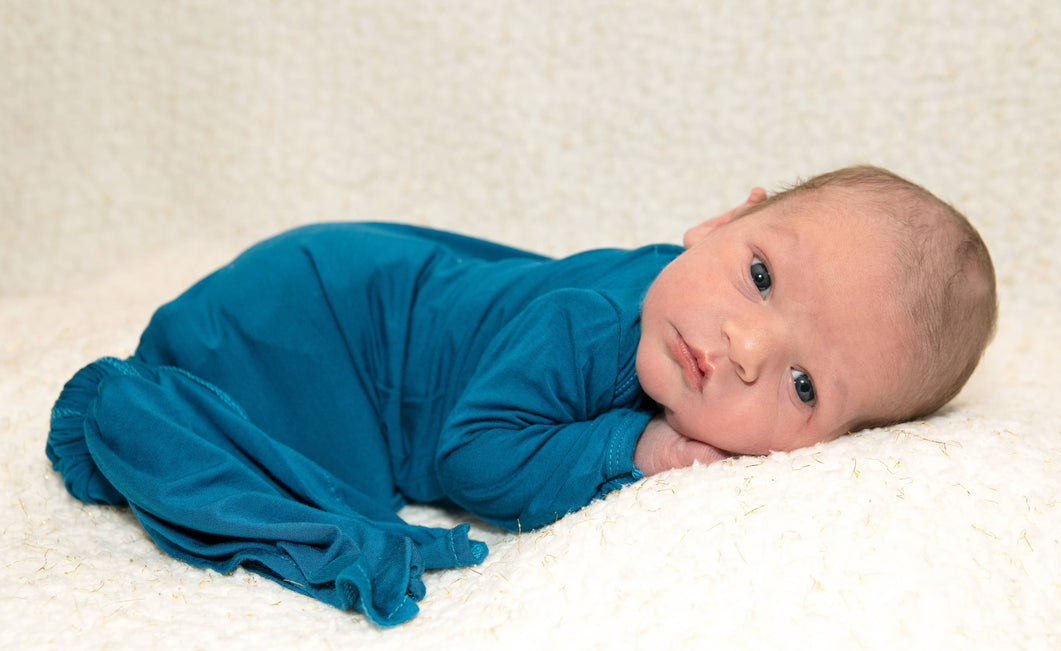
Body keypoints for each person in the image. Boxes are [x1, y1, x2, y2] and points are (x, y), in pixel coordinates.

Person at [45, 165, 997, 625]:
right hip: (307, 324)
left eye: (803, 383)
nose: (743, 347)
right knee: (260, 472)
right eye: (759, 276)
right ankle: (148, 415)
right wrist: (631, 450)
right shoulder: (589, 325)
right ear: (722, 220)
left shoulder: (680, 311)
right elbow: (470, 457)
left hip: (336, 286)